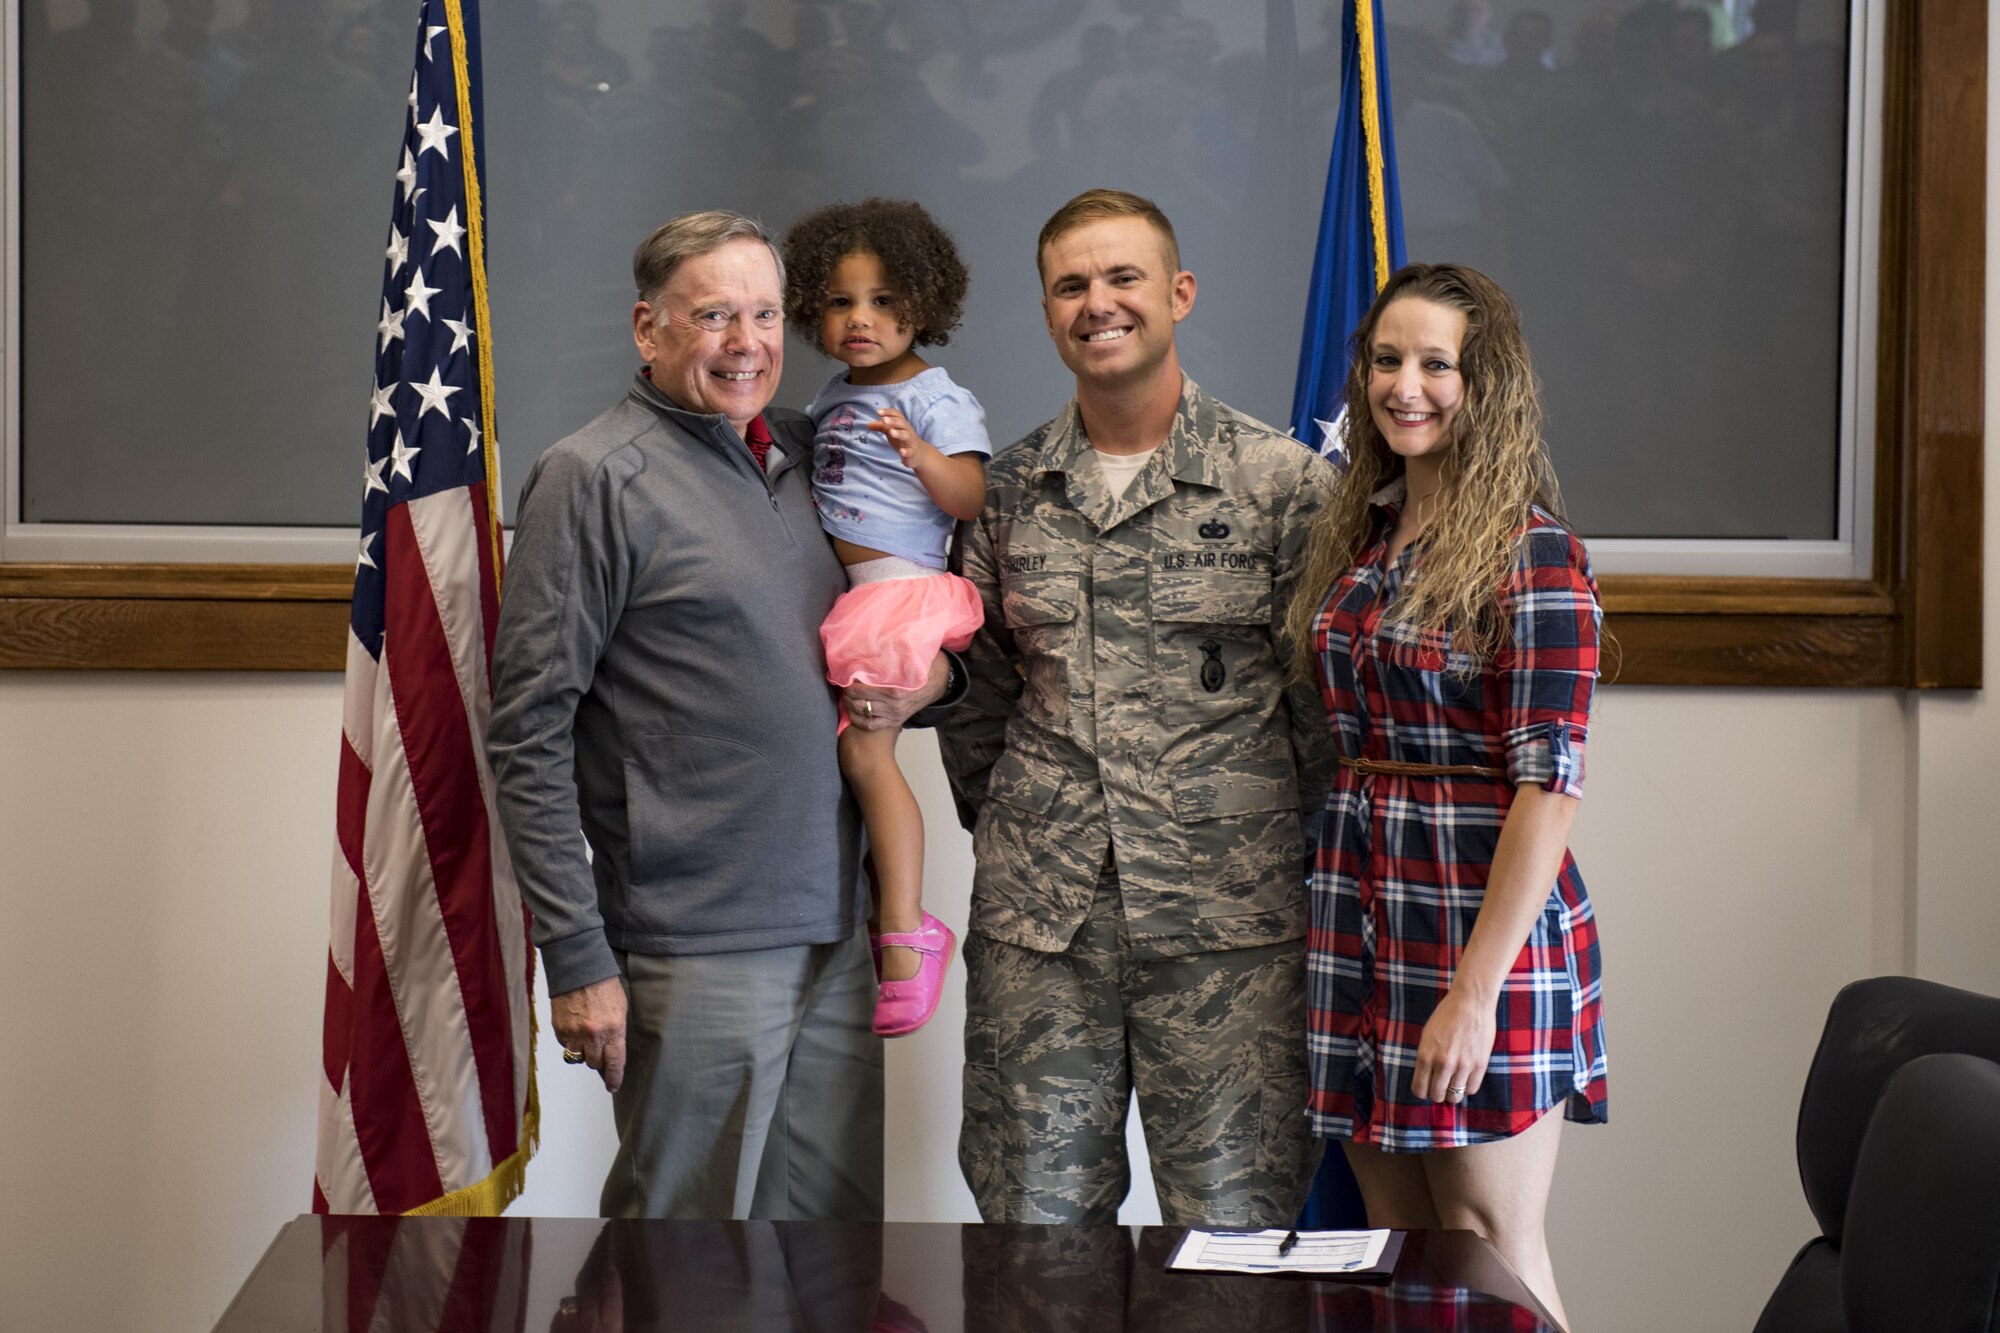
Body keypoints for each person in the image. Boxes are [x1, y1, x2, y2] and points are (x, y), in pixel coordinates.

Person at [485, 211, 952, 1220]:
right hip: (693, 946)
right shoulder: (593, 479)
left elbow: (903, 627)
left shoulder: (813, 455)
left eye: (765, 313)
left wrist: (928, 688)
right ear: (648, 328)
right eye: (712, 315)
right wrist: (576, 958)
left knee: (829, 1260)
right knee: (686, 1266)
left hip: (838, 929)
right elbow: (525, 735)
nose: (747, 342)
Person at [939, 188, 1333, 1227]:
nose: (1097, 304)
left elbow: (1320, 713)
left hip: (1226, 930)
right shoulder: (1009, 491)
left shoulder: (1279, 487)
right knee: (1034, 1235)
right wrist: (1031, 826)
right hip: (1042, 929)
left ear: (1177, 294)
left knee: (1236, 1235)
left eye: (1122, 278)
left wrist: (1245, 836)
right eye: (1070, 284)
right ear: (1045, 310)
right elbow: (976, 700)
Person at [1287, 263, 1608, 1329]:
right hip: (1360, 922)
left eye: (1436, 363)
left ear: (1488, 383)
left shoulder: (1533, 554)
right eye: (1386, 360)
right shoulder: (1365, 538)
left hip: (1480, 935)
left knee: (1484, 1243)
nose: (1404, 385)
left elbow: (1547, 791)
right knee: (1394, 1252)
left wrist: (1474, 991)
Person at [780, 198, 990, 1037]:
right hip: (857, 599)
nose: (860, 319)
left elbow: (970, 495)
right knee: (845, 758)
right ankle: (880, 914)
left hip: (902, 591)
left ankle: (909, 930)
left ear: (925, 305)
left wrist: (923, 458)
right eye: (840, 301)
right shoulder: (832, 395)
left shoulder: (937, 396)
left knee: (868, 755)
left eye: (884, 301)